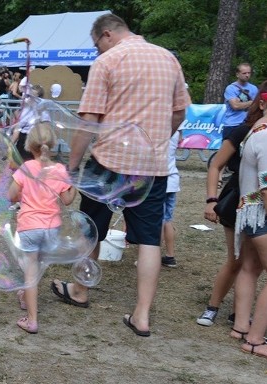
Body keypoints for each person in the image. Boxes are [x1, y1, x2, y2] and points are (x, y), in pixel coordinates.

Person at [51, 13, 190, 337]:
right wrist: (156, 141)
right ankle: (142, 315)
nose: (97, 51)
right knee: (148, 240)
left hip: (109, 160)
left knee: (91, 228)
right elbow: (180, 111)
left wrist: (71, 166)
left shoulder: (108, 61)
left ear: (106, 35)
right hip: (151, 166)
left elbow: (88, 121)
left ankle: (80, 290)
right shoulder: (168, 58)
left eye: (96, 45)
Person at [196, 80, 267, 326]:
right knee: (237, 260)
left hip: (259, 204)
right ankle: (212, 308)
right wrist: (211, 200)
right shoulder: (244, 130)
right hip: (238, 200)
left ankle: (240, 316)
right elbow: (216, 165)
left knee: (253, 265)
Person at [8, 123, 77, 334]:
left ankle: (32, 319)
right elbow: (67, 200)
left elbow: (11, 196)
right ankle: (25, 295)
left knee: (29, 271)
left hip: (29, 226)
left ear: (29, 146)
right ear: (53, 144)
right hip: (51, 228)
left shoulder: (26, 168)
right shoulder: (59, 170)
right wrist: (72, 186)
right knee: (37, 265)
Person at [232, 90, 267, 359]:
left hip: (248, 212)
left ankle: (241, 327)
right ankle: (256, 339)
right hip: (261, 214)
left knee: (249, 268)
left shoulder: (255, 129)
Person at [161, 130, 181, 267]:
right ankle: (170, 256)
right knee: (167, 220)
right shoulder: (178, 127)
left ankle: (151, 257)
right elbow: (180, 139)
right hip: (172, 180)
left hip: (159, 182)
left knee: (156, 222)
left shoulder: (157, 129)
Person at [222, 63, 258, 137]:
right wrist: (251, 102)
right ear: (237, 74)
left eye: (249, 73)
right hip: (232, 125)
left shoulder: (254, 88)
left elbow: (257, 106)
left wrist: (243, 104)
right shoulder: (231, 88)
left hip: (248, 124)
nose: (247, 75)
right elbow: (235, 106)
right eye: (244, 73)